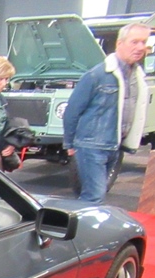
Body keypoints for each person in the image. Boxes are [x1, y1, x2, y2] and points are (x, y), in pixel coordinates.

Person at [63, 22, 150, 204]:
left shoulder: (137, 76)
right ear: (120, 43)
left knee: (95, 194)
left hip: (115, 146)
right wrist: (69, 143)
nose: (140, 47)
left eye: (144, 42)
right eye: (134, 42)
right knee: (94, 196)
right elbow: (72, 111)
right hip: (91, 145)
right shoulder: (96, 75)